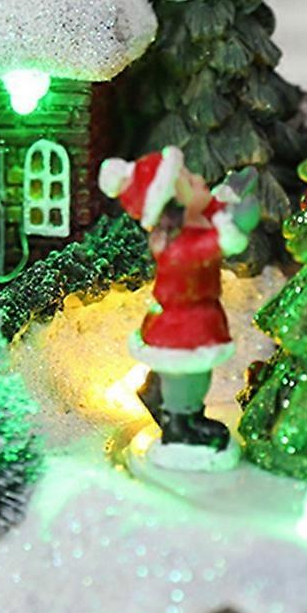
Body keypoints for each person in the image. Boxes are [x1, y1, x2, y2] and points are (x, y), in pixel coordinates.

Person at [99, 147, 258, 466]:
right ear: (174, 205)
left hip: (194, 318)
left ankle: (181, 409)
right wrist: (235, 227)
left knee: (194, 374)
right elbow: (211, 245)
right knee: (188, 376)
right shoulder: (178, 245)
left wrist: (233, 192)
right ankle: (179, 427)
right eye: (188, 179)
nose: (198, 177)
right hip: (182, 324)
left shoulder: (194, 220)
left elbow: (213, 207)